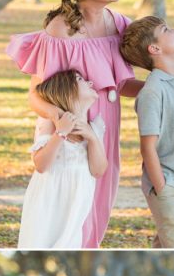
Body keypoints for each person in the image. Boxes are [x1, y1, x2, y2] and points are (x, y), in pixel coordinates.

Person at [6, 0, 141, 248]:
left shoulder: (120, 25)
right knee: (69, 217)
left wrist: (165, 90)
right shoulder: (60, 30)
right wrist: (63, 123)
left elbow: (118, 85)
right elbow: (36, 96)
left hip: (105, 133)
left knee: (97, 211)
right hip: (70, 140)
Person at [119, 16, 174, 248]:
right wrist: (162, 188)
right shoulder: (153, 91)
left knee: (170, 245)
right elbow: (147, 146)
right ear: (155, 48)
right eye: (166, 30)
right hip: (170, 187)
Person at [17, 69, 107, 249]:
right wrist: (61, 132)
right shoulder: (50, 123)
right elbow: (41, 165)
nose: (90, 83)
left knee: (69, 242)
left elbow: (98, 170)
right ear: (67, 91)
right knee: (40, 241)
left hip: (76, 202)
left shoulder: (94, 128)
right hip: (48, 200)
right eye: (81, 79)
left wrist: (92, 137)